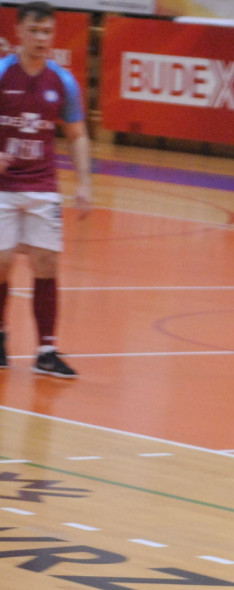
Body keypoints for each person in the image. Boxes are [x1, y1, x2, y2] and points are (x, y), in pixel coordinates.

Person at [0, 1, 90, 378]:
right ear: (19, 31)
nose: (41, 38)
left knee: (46, 263)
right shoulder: (3, 72)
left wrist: (84, 182)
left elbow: (77, 134)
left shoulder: (63, 81)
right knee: (2, 262)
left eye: (47, 31)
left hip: (43, 184)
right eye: (34, 31)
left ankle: (46, 351)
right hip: (4, 186)